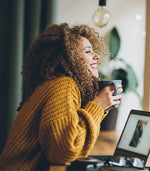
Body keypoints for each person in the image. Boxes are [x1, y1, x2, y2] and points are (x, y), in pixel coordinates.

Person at [0, 23, 123, 170]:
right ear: (69, 57)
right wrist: (97, 105)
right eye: (88, 51)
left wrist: (100, 107)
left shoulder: (59, 84)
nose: (96, 56)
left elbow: (73, 137)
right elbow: (66, 151)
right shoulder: (63, 85)